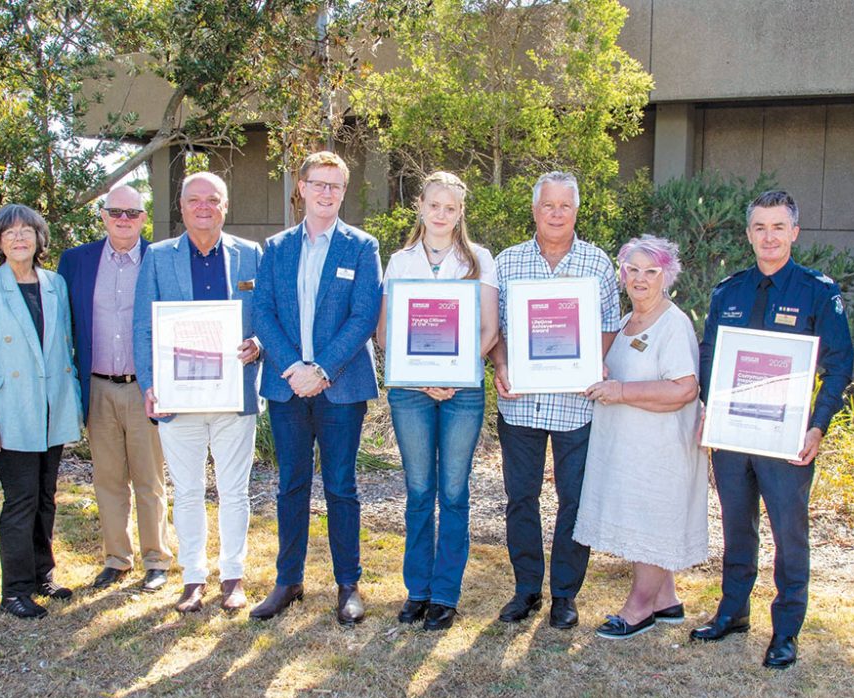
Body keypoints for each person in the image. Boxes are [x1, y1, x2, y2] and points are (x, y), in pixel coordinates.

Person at [692, 190, 853, 668]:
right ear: (748, 234)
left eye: (778, 227)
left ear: (794, 232)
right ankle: (733, 611)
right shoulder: (729, 291)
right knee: (738, 528)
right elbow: (710, 355)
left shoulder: (817, 292)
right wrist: (711, 405)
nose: (769, 236)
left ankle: (786, 629)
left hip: (787, 441)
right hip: (734, 437)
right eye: (759, 227)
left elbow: (840, 364)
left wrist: (818, 427)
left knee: (790, 535)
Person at [250, 151, 383, 625]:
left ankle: (348, 584)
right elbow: (262, 312)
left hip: (341, 387)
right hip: (287, 389)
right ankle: (288, 581)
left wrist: (322, 369)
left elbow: (364, 316)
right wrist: (293, 368)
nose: (326, 193)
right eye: (318, 184)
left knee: (342, 487)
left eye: (335, 186)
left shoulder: (362, 247)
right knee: (290, 485)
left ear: (343, 192)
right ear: (301, 187)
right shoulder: (276, 248)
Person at [489, 171, 621, 630]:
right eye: (549, 205)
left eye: (566, 205)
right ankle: (527, 589)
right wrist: (502, 365)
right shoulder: (507, 263)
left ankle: (565, 593)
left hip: (576, 403)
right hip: (521, 403)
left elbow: (609, 326)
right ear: (535, 209)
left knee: (575, 501)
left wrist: (587, 365)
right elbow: (495, 330)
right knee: (520, 498)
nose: (557, 213)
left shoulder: (598, 264)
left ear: (577, 210)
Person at [132, 172, 263, 614]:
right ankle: (192, 576)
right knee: (186, 491)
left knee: (235, 490)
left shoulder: (250, 255)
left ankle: (232, 575)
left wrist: (259, 345)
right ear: (181, 207)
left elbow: (265, 316)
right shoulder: (157, 256)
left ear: (225, 206)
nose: (203, 207)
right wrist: (150, 382)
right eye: (194, 200)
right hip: (179, 397)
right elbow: (144, 326)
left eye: (213, 200)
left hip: (234, 396)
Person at [374, 171, 499, 631]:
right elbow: (386, 332)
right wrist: (424, 377)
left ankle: (445, 593)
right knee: (419, 490)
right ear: (420, 207)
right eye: (434, 206)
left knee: (454, 491)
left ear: (460, 212)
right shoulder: (400, 260)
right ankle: (417, 591)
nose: (441, 214)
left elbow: (489, 330)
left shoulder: (480, 259)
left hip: (463, 391)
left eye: (450, 207)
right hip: (411, 393)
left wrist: (450, 372)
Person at [575, 236, 708, 639]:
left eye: (651, 271)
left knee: (652, 522)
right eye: (632, 269)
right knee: (642, 521)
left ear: (666, 275)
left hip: (661, 449)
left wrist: (621, 392)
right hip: (630, 449)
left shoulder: (673, 323)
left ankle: (637, 610)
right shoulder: (623, 322)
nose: (640, 278)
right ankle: (665, 598)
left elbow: (685, 388)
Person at [0, 204, 82, 619]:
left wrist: (74, 405)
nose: (18, 238)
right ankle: (14, 589)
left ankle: (41, 575)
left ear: (39, 239)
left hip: (50, 409)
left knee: (46, 497)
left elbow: (63, 347)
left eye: (26, 231)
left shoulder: (55, 285)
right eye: (9, 232)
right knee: (20, 499)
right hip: (9, 410)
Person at [57, 185, 173, 594]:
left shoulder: (160, 259)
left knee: (150, 478)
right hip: (97, 385)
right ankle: (116, 559)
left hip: (146, 387)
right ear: (103, 216)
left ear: (144, 219)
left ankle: (156, 560)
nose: (124, 220)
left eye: (133, 213)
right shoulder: (76, 262)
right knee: (107, 479)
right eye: (115, 212)